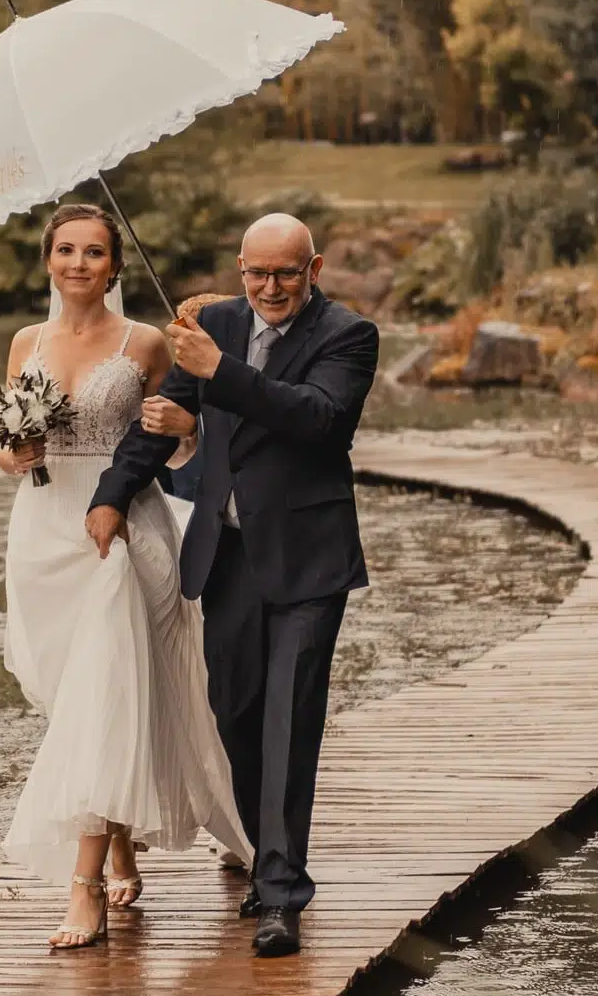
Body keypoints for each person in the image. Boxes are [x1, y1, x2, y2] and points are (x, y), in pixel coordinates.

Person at [86, 215, 379, 958]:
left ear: (313, 271)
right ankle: (262, 854)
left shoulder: (348, 335)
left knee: (288, 719)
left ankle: (280, 893)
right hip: (228, 554)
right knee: (236, 712)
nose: (269, 288)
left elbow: (318, 420)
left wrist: (222, 372)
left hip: (308, 558)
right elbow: (159, 425)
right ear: (239, 267)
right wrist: (112, 494)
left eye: (285, 274)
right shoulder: (212, 325)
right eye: (255, 273)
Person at [0, 203, 251, 950]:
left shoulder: (145, 341)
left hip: (121, 531)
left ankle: (84, 892)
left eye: (95, 252)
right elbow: (10, 447)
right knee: (66, 696)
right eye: (66, 250)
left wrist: (189, 431)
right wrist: (15, 454)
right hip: (42, 531)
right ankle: (115, 846)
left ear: (114, 265)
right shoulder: (24, 342)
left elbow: (179, 443)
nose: (79, 264)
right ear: (48, 260)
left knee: (106, 695)